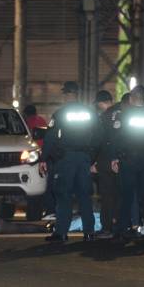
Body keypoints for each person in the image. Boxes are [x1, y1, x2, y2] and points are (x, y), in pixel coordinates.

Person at [39, 81, 99, 244]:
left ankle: (62, 232)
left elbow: (50, 137)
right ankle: (89, 232)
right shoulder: (89, 113)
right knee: (84, 196)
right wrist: (92, 158)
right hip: (84, 159)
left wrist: (43, 158)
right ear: (78, 94)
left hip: (66, 160)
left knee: (63, 195)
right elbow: (97, 136)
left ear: (66, 95)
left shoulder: (61, 113)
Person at [111, 86, 144, 243]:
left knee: (126, 197)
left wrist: (115, 158)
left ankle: (121, 231)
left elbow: (118, 139)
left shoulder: (124, 116)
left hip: (129, 160)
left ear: (132, 98)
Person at [93, 90, 119, 239]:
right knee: (118, 195)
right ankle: (119, 225)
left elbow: (99, 141)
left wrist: (94, 161)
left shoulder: (104, 117)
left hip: (105, 161)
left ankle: (107, 228)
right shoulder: (121, 113)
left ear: (100, 103)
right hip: (122, 160)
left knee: (107, 196)